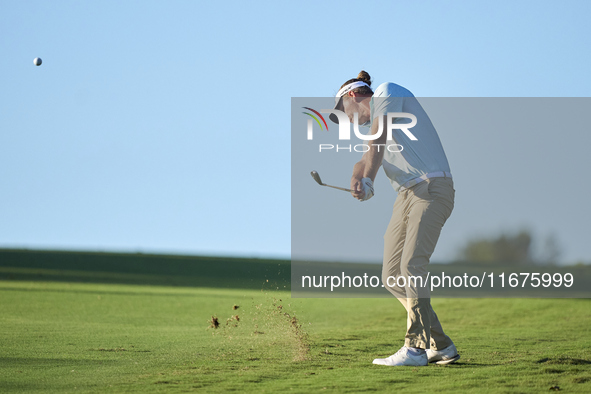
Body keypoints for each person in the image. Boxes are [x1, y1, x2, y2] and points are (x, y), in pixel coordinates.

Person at [331, 71, 460, 367]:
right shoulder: (372, 127)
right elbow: (364, 159)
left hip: (431, 188)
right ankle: (441, 346)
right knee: (391, 275)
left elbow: (378, 138)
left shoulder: (388, 93)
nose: (346, 119)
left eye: (344, 112)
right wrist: (357, 180)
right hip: (405, 197)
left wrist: (371, 181)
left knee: (411, 265)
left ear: (353, 96)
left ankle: (414, 349)